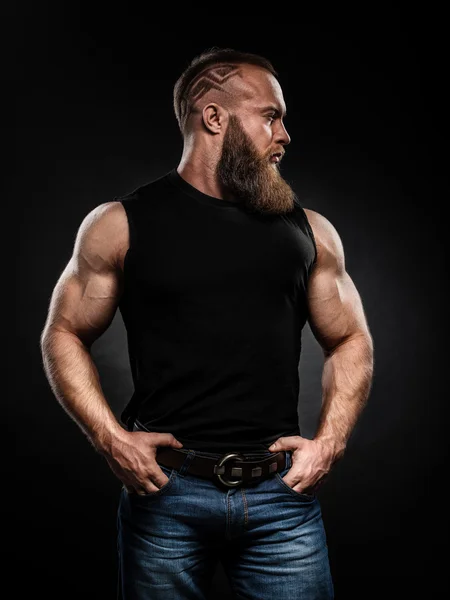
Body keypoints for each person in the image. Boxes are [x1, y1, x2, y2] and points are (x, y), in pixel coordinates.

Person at [40, 47, 374, 600]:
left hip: (280, 502)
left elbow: (349, 338)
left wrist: (330, 443)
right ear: (214, 117)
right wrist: (109, 437)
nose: (285, 134)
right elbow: (64, 331)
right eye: (271, 115)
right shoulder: (121, 224)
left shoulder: (308, 232)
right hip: (165, 497)